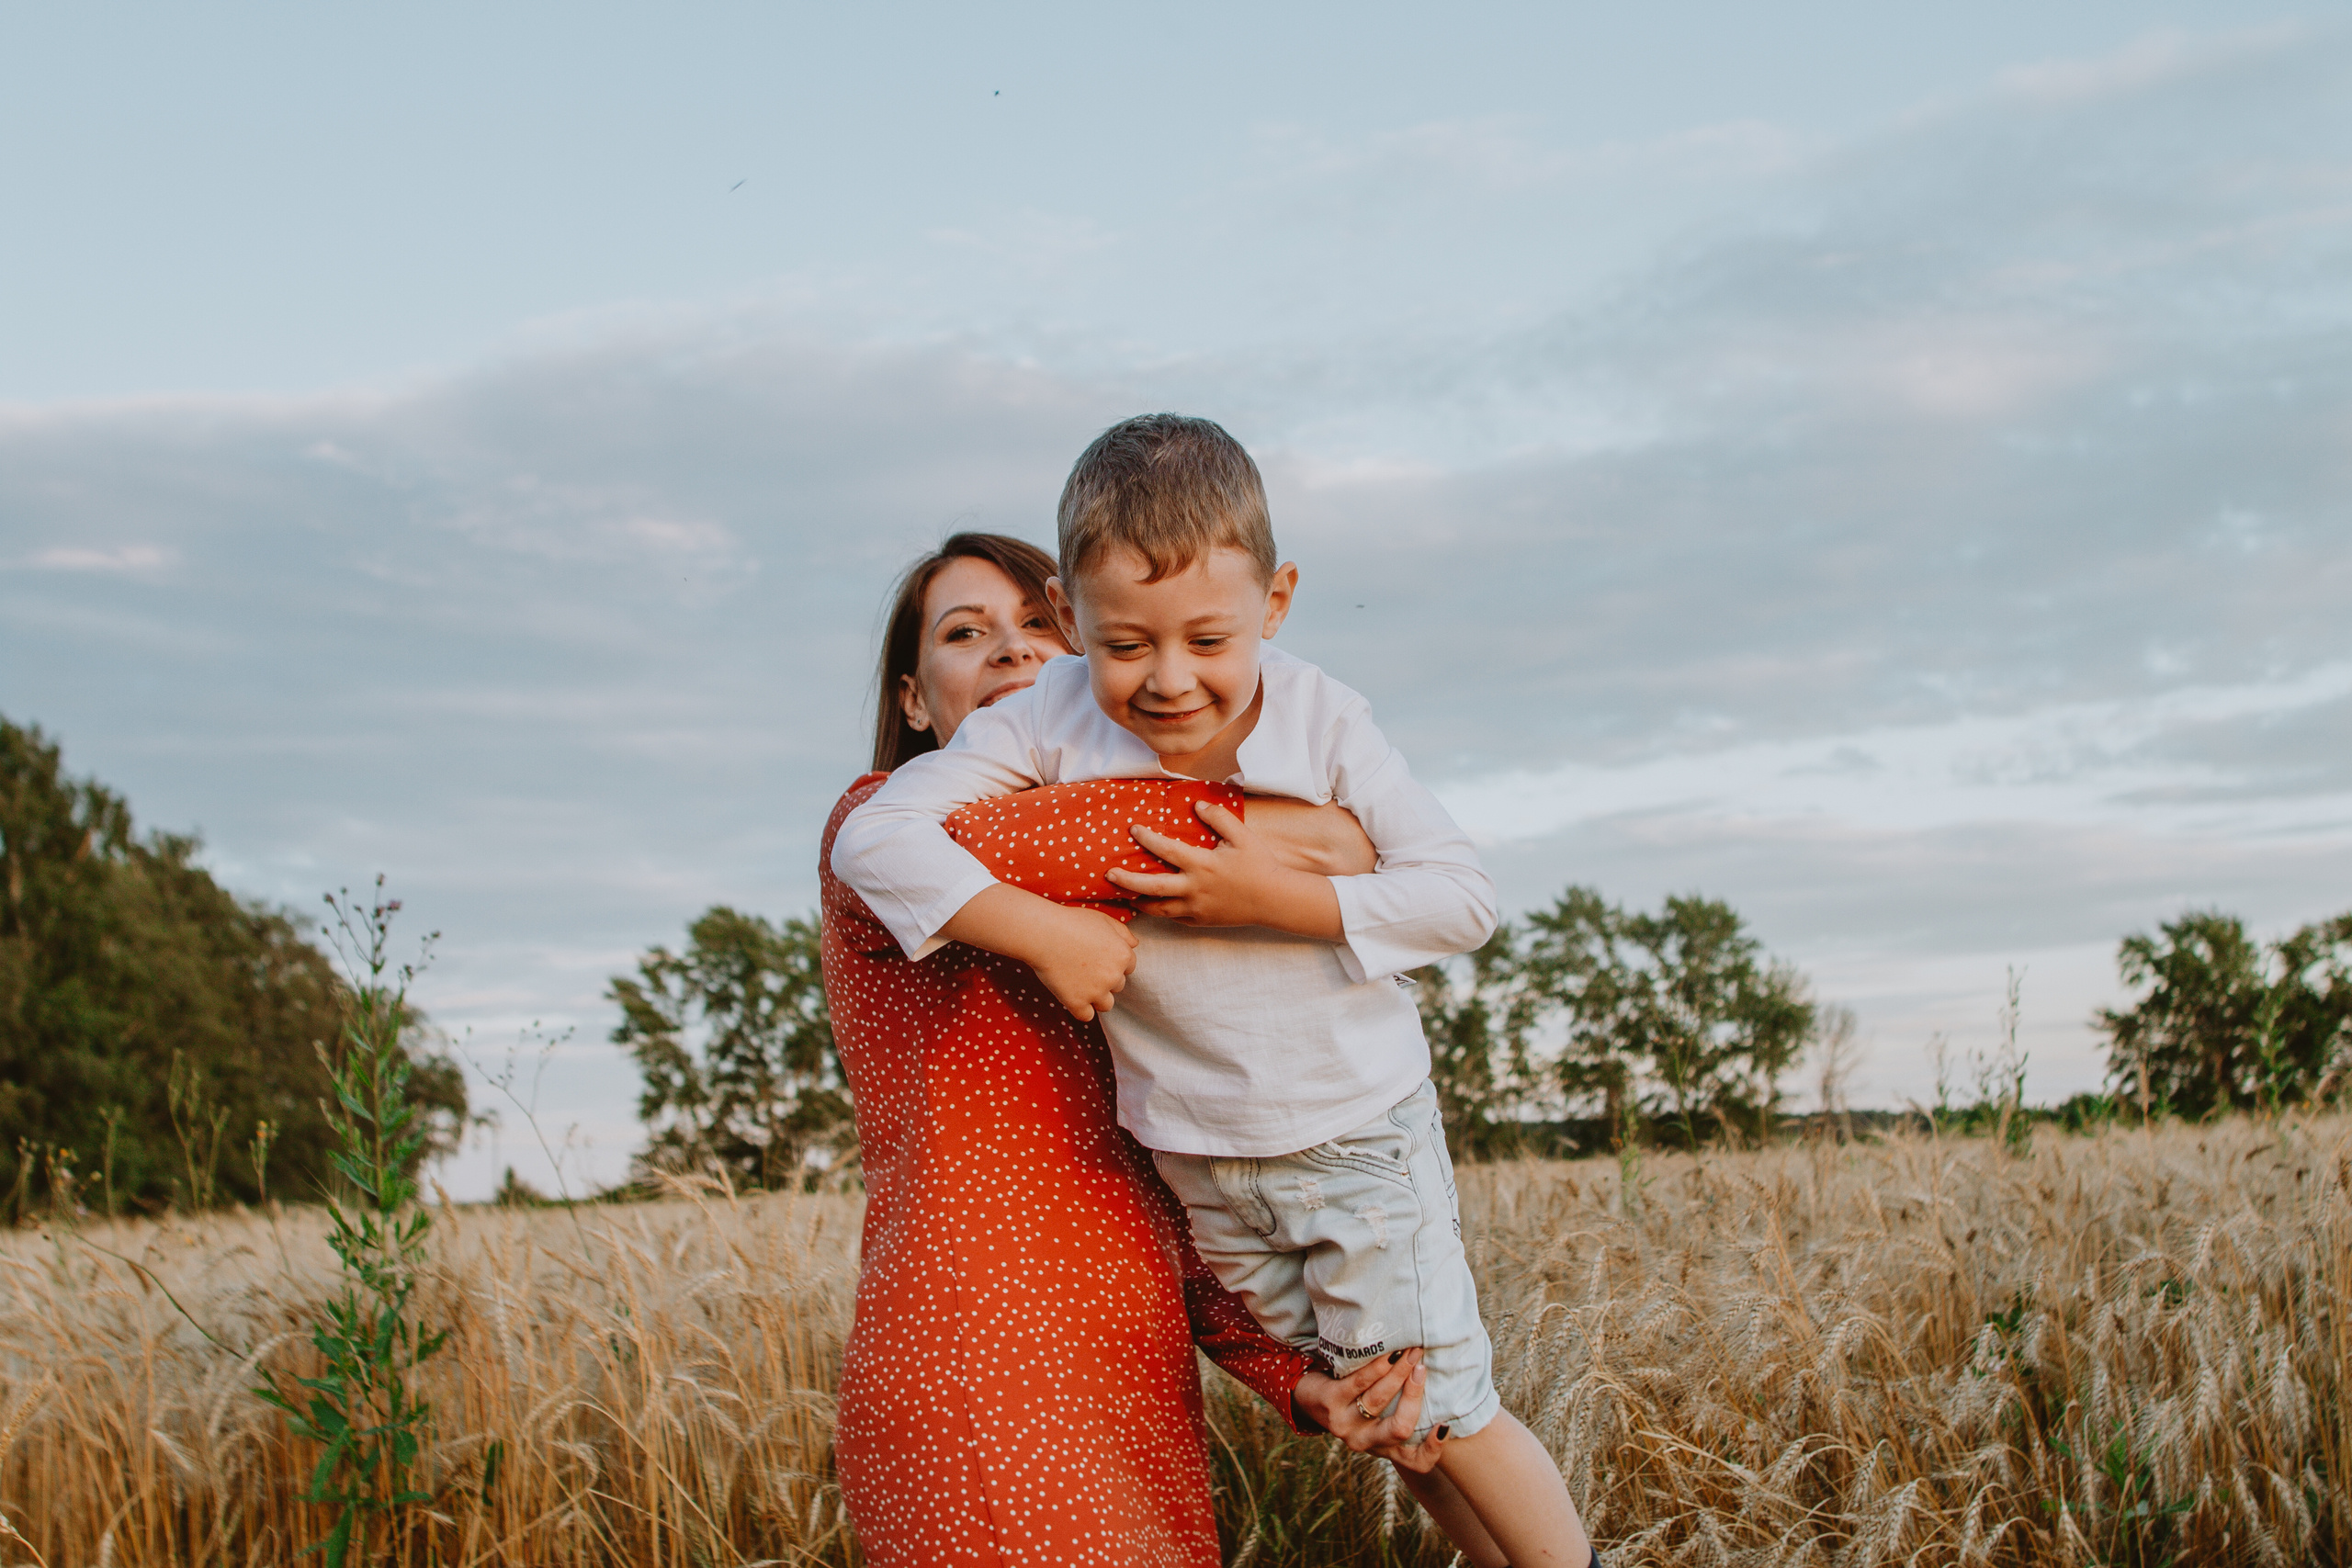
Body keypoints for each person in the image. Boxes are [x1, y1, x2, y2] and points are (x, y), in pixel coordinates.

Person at [834, 422, 1598, 1568]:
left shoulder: (1297, 715)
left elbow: (1452, 894)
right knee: (1415, 1417)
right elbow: (902, 835)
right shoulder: (976, 783)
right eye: (964, 635)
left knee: (1425, 1409)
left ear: (1276, 603)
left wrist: (1288, 889)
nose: (1168, 678)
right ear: (910, 693)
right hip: (1069, 1276)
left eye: (1030, 633)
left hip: (1315, 1149)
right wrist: (1317, 844)